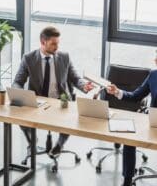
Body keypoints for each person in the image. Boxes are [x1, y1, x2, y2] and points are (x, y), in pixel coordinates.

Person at [13, 26, 94, 158]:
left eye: (58, 43)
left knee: (69, 118)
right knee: (20, 118)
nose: (57, 47)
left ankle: (59, 145)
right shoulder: (29, 58)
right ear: (43, 42)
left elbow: (75, 78)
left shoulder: (64, 57)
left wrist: (84, 86)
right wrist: (19, 94)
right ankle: (32, 142)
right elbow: (18, 81)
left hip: (61, 98)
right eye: (53, 44)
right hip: (38, 99)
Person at [107, 66, 157, 186]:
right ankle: (127, 180)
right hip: (153, 122)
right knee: (130, 138)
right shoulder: (154, 74)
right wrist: (118, 92)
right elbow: (136, 96)